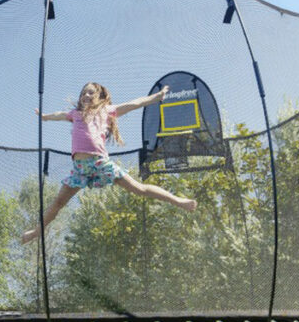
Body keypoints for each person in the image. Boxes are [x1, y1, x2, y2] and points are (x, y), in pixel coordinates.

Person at [21, 82, 197, 244]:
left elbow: (134, 104)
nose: (86, 95)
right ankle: (36, 232)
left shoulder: (107, 110)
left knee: (139, 188)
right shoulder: (75, 114)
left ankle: (179, 201)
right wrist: (45, 117)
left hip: (100, 163)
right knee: (58, 202)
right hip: (80, 169)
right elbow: (59, 115)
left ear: (99, 96)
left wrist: (156, 97)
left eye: (91, 92)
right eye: (84, 93)